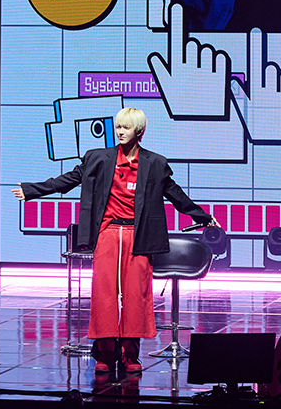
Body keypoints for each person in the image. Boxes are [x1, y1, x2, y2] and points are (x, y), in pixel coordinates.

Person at [12, 108, 214, 374]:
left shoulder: (155, 163)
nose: (120, 132)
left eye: (126, 127)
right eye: (118, 126)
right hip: (107, 233)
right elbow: (68, 180)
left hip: (138, 236)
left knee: (135, 296)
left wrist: (203, 217)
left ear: (139, 131)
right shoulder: (98, 158)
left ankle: (130, 355)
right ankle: (105, 354)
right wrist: (32, 190)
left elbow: (176, 195)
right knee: (104, 295)